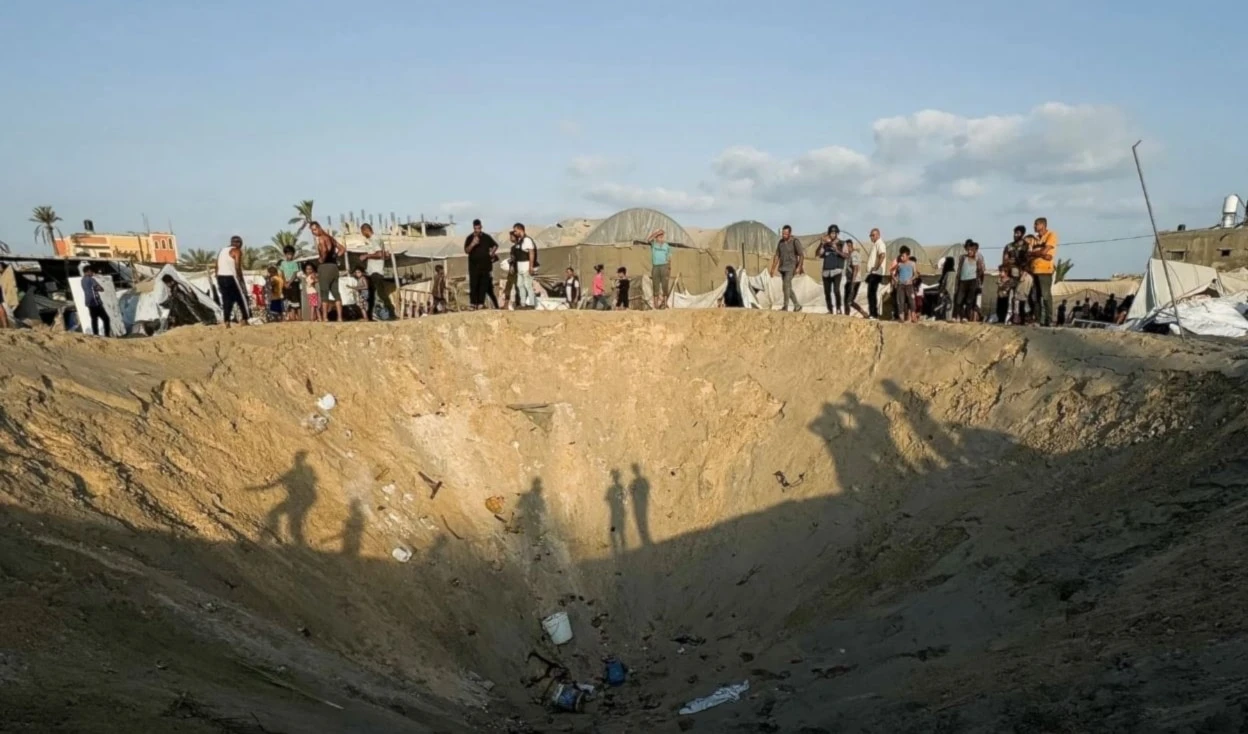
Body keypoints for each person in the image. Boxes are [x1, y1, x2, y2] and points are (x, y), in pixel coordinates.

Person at [311, 221, 345, 323]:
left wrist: (322, 259)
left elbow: (324, 250)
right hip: (334, 266)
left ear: (319, 228)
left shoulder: (321, 238)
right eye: (312, 230)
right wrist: (334, 257)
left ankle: (325, 317)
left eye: (314, 229)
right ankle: (340, 317)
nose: (314, 232)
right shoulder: (331, 238)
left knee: (324, 293)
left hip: (325, 267)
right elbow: (342, 249)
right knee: (336, 293)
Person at [214, 235, 250, 328]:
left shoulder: (222, 250)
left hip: (221, 277)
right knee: (241, 298)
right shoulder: (237, 250)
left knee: (226, 300)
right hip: (231, 277)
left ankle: (226, 321)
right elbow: (237, 266)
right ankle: (245, 319)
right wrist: (241, 279)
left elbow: (216, 266)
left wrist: (217, 278)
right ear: (238, 243)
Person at [463, 219, 499, 310]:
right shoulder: (470, 238)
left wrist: (492, 253)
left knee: (483, 285)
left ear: (481, 227)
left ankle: (480, 303)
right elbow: (466, 251)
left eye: (478, 228)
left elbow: (495, 245)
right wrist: (473, 244)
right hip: (474, 266)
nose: (477, 230)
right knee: (474, 284)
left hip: (485, 265)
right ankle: (473, 303)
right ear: (473, 228)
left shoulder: (486, 237)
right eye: (475, 228)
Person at [1029, 217, 1058, 326]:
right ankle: (1037, 319)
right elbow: (1030, 253)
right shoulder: (1034, 239)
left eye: (1036, 224)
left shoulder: (1051, 235)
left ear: (1042, 225)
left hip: (1045, 270)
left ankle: (1049, 320)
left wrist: (1037, 253)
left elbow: (1046, 251)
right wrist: (1040, 254)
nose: (1034, 227)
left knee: (1045, 295)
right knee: (1035, 296)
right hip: (1034, 270)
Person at [769, 224, 804, 312]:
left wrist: (799, 267)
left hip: (791, 267)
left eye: (785, 234)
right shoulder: (780, 243)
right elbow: (777, 255)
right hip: (782, 267)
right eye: (783, 233)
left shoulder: (795, 241)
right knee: (787, 287)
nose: (784, 235)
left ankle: (785, 306)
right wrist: (773, 268)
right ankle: (797, 305)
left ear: (790, 233)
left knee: (786, 285)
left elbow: (801, 255)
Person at [360, 223, 390, 320]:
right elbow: (384, 255)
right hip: (373, 271)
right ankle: (376, 315)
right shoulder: (375, 240)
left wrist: (367, 256)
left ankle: (382, 315)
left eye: (362, 232)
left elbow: (379, 254)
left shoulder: (374, 239)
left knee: (378, 295)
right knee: (375, 294)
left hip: (376, 271)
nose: (363, 234)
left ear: (365, 230)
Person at [815, 224, 845, 314]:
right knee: (827, 292)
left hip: (837, 271)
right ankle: (830, 309)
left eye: (834, 233)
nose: (832, 235)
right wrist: (821, 244)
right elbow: (817, 254)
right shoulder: (826, 245)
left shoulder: (842, 243)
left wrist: (837, 250)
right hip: (826, 271)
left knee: (836, 290)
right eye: (831, 233)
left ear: (837, 234)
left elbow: (846, 255)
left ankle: (839, 309)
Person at [953, 239, 986, 322]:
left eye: (971, 250)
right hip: (963, 281)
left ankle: (966, 317)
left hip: (972, 281)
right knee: (959, 300)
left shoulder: (977, 259)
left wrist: (980, 282)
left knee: (969, 300)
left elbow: (981, 271)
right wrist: (958, 281)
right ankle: (959, 315)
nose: (969, 251)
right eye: (968, 250)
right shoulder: (963, 258)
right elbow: (959, 270)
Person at [80, 265, 112, 336]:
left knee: (94, 320)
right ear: (88, 271)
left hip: (89, 303)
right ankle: (107, 335)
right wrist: (99, 288)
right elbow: (100, 288)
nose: (93, 274)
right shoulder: (91, 280)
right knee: (106, 319)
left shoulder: (82, 281)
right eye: (92, 272)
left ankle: (96, 335)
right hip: (95, 302)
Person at [891, 246, 919, 323]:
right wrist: (896, 280)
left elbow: (916, 274)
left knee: (911, 301)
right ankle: (901, 317)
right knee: (900, 301)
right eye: (901, 256)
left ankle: (913, 316)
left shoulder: (912, 264)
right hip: (900, 285)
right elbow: (892, 273)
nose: (902, 257)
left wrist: (910, 280)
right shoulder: (899, 264)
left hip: (909, 285)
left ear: (908, 255)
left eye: (903, 256)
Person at [512, 223, 537, 309]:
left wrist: (531, 266)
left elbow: (531, 253)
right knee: (520, 285)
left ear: (520, 229)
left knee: (528, 285)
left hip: (526, 266)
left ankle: (531, 303)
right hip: (520, 267)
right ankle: (523, 303)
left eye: (515, 231)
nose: (514, 233)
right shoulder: (519, 241)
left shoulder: (527, 240)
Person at [646, 228, 672, 309]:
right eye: (659, 236)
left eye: (662, 236)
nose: (661, 238)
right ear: (656, 237)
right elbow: (648, 240)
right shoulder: (654, 244)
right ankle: (656, 305)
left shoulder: (666, 245)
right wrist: (655, 233)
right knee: (655, 286)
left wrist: (669, 267)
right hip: (656, 266)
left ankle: (665, 304)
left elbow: (669, 257)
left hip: (664, 266)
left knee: (665, 286)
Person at [865, 228, 888, 319]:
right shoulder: (876, 244)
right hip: (873, 273)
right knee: (871, 293)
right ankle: (872, 313)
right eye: (871, 235)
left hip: (876, 273)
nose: (871, 237)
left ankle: (874, 314)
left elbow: (882, 255)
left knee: (872, 293)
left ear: (878, 235)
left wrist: (876, 267)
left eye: (873, 235)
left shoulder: (880, 243)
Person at [843, 240, 868, 317]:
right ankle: (847, 315)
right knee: (847, 301)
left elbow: (855, 268)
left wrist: (852, 283)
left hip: (854, 281)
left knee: (849, 301)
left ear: (849, 246)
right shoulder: (850, 254)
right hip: (850, 280)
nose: (844, 249)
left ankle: (863, 313)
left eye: (845, 247)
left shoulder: (854, 254)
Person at [278, 245, 303, 322]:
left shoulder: (294, 263)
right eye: (288, 254)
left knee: (296, 300)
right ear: (285, 254)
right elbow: (282, 273)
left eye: (291, 254)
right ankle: (291, 317)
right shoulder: (283, 263)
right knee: (289, 301)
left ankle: (299, 316)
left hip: (293, 283)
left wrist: (290, 282)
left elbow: (295, 273)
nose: (290, 256)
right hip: (285, 283)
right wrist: (285, 282)